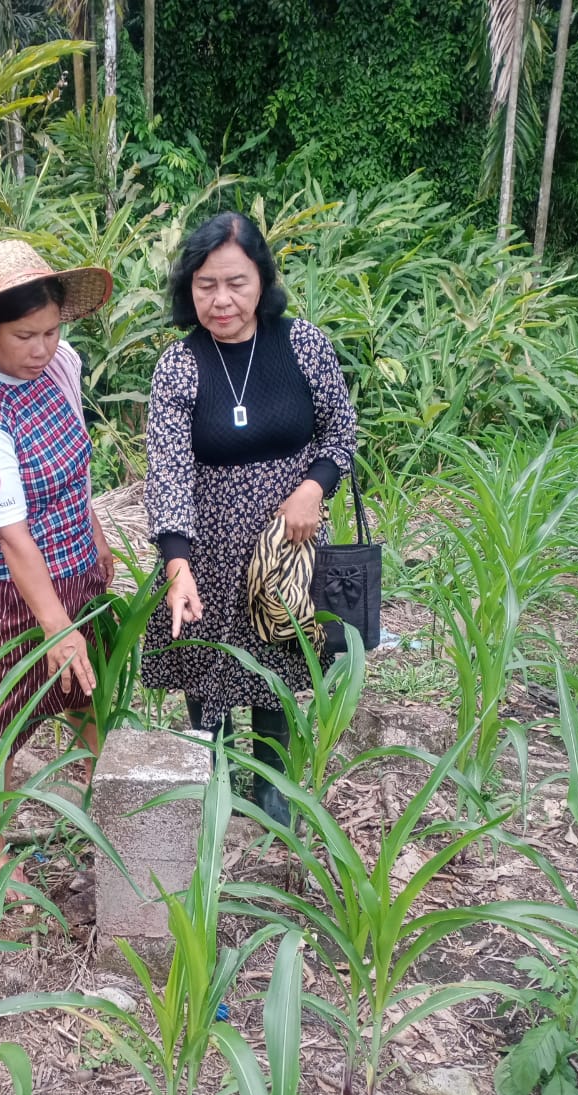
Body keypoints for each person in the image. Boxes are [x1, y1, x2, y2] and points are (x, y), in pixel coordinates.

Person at [142, 211, 357, 823]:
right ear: (189, 288)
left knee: (279, 655)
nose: (221, 299)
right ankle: (212, 777)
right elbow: (169, 469)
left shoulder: (303, 344)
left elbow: (341, 434)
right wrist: (177, 561)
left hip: (288, 541)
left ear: (262, 279)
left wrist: (314, 488)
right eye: (206, 285)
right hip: (205, 540)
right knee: (203, 657)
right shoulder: (179, 365)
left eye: (236, 282)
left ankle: (271, 785)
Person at [0, 239, 115, 893]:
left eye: (52, 330)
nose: (42, 348)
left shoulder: (61, 365)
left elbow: (77, 469)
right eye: (24, 335)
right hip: (16, 594)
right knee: (3, 722)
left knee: (90, 689)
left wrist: (94, 538)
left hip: (77, 568)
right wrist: (56, 626)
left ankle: (107, 797)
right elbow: (12, 540)